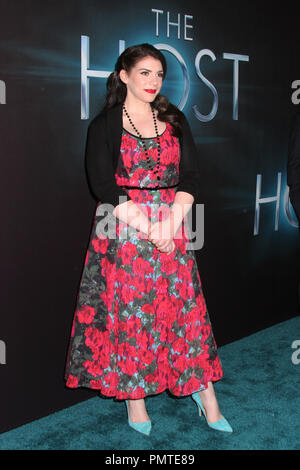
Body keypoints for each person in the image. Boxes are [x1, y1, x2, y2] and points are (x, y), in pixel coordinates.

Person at [64, 43, 233, 435]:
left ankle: (204, 393)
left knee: (186, 309)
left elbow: (191, 178)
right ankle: (135, 398)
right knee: (132, 313)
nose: (154, 81)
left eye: (159, 74)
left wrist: (170, 222)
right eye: (145, 72)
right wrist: (149, 227)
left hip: (173, 222)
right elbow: (103, 185)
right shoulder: (104, 124)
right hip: (123, 226)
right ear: (123, 75)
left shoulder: (174, 119)